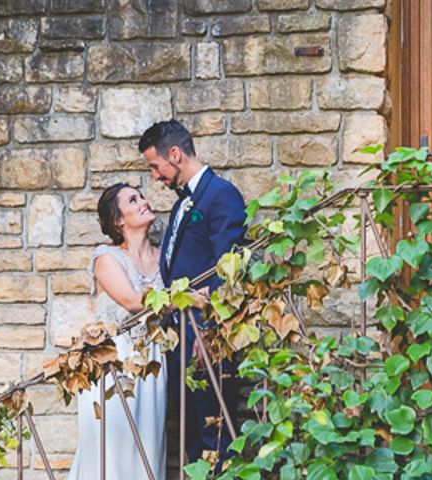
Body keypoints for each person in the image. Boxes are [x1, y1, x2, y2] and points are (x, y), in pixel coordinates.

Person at [139, 120, 246, 465]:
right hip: (181, 338)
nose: (155, 176)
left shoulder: (221, 195)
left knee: (214, 432)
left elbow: (226, 265)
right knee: (190, 437)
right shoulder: (181, 203)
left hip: (204, 337)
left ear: (174, 154)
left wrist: (209, 329)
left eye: (155, 166)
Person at [68, 183, 167, 480]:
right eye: (133, 200)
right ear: (118, 220)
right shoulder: (106, 257)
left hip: (153, 361)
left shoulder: (166, 257)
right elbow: (132, 301)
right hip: (113, 363)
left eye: (142, 196)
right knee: (111, 454)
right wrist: (186, 296)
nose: (143, 202)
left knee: (148, 450)